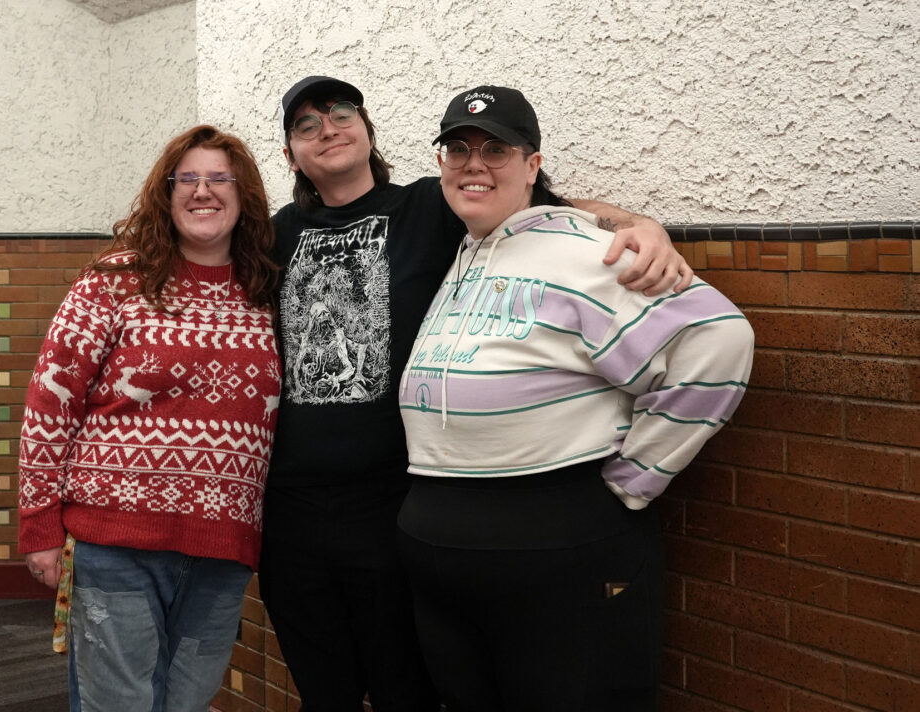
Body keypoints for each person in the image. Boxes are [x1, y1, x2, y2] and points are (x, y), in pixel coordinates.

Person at [259, 76, 697, 712]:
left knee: (405, 688)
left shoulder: (425, 208)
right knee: (322, 690)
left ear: (367, 132)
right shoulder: (274, 238)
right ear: (291, 155)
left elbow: (539, 204)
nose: (327, 129)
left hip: (391, 501)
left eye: (341, 113)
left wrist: (641, 225)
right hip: (293, 509)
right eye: (306, 125)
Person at [395, 85, 754, 711]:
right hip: (445, 559)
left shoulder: (588, 252)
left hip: (557, 548)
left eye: (496, 149)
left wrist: (634, 477)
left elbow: (719, 339)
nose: (474, 163)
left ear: (533, 165)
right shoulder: (462, 247)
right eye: (457, 148)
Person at [18, 125, 281, 712]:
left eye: (219, 179)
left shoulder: (267, 291)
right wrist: (40, 524)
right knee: (120, 705)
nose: (203, 191)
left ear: (245, 197)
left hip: (222, 548)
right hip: (116, 541)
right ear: (165, 194)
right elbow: (49, 402)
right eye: (186, 179)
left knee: (187, 703)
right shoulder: (113, 281)